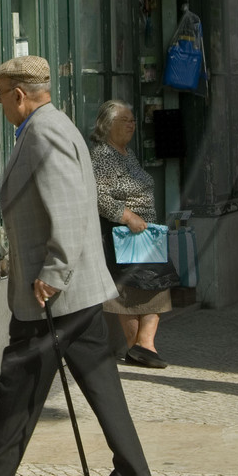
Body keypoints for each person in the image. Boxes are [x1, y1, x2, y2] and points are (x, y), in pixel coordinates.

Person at [0, 56, 155, 476]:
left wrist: (52, 276)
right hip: (79, 290)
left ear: (19, 94)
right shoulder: (53, 125)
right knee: (100, 381)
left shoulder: (44, 131)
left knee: (20, 378)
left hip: (55, 291)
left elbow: (71, 208)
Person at [90, 100, 179, 369]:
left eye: (132, 120)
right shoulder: (103, 155)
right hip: (123, 233)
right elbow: (97, 195)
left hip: (146, 234)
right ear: (107, 125)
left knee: (158, 284)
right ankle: (139, 347)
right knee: (129, 292)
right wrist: (127, 216)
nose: (131, 125)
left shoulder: (126, 152)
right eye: (125, 120)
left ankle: (143, 346)